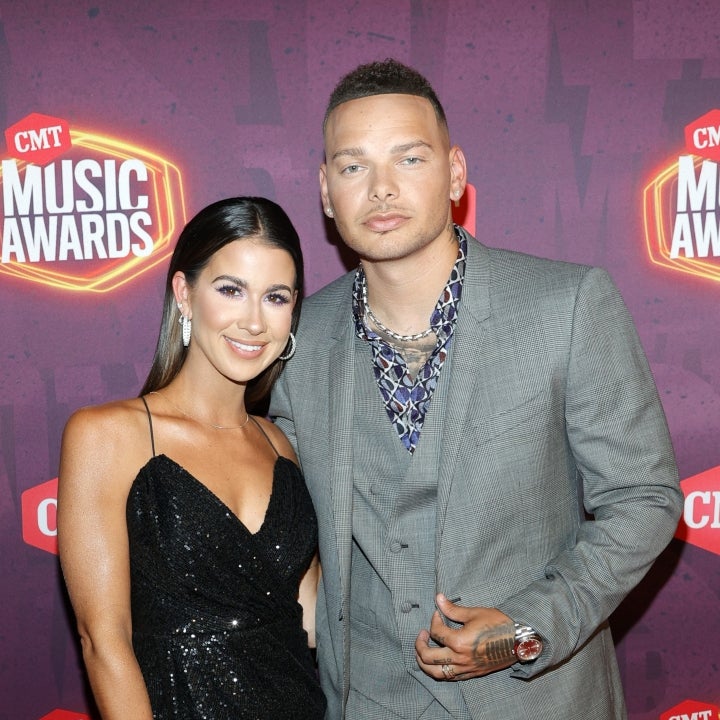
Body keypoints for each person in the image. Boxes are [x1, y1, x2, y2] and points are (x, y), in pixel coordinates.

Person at [269, 59, 684, 719]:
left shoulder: (567, 304)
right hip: (369, 701)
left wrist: (526, 627)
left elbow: (644, 499)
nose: (381, 188)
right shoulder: (294, 339)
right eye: (353, 167)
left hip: (538, 702)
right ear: (325, 190)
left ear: (456, 173)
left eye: (409, 158)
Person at [58, 197, 326, 720]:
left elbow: (313, 620)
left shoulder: (279, 445)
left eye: (275, 297)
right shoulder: (108, 436)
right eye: (231, 290)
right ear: (184, 293)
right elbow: (103, 641)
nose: (254, 321)